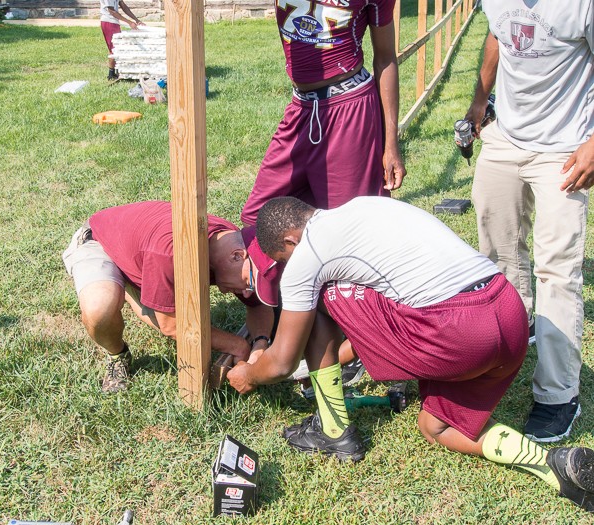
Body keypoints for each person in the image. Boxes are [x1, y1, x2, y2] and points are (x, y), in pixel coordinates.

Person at [227, 196, 594, 513]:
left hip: (457, 332)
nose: (288, 267)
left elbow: (282, 362)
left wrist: (247, 375)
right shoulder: (364, 208)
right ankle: (553, 464)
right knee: (435, 428)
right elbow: (377, 318)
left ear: (291, 240)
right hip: (507, 313)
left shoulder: (309, 254)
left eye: (284, 258)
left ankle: (333, 429)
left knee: (317, 298)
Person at [464, 1, 594, 442]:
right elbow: (498, 36)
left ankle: (559, 396)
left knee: (557, 270)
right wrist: (480, 102)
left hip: (566, 148)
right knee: (496, 255)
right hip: (505, 138)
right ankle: (506, 351)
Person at [62, 201, 277, 392]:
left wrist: (259, 345)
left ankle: (136, 280)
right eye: (250, 283)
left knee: (153, 293)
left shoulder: (231, 243)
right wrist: (236, 346)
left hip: (143, 251)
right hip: (100, 242)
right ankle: (117, 354)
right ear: (237, 256)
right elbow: (171, 325)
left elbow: (258, 305)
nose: (248, 292)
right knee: (99, 308)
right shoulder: (170, 252)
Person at [239, 0, 406, 227]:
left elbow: (386, 59)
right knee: (258, 217)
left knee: (350, 226)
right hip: (301, 108)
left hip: (349, 108)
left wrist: (390, 145)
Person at [99, 0, 144, 81]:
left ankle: (118, 71)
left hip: (115, 22)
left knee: (118, 47)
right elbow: (112, 11)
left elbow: (123, 6)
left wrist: (137, 20)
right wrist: (129, 22)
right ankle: (111, 74)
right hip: (108, 21)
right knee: (114, 48)